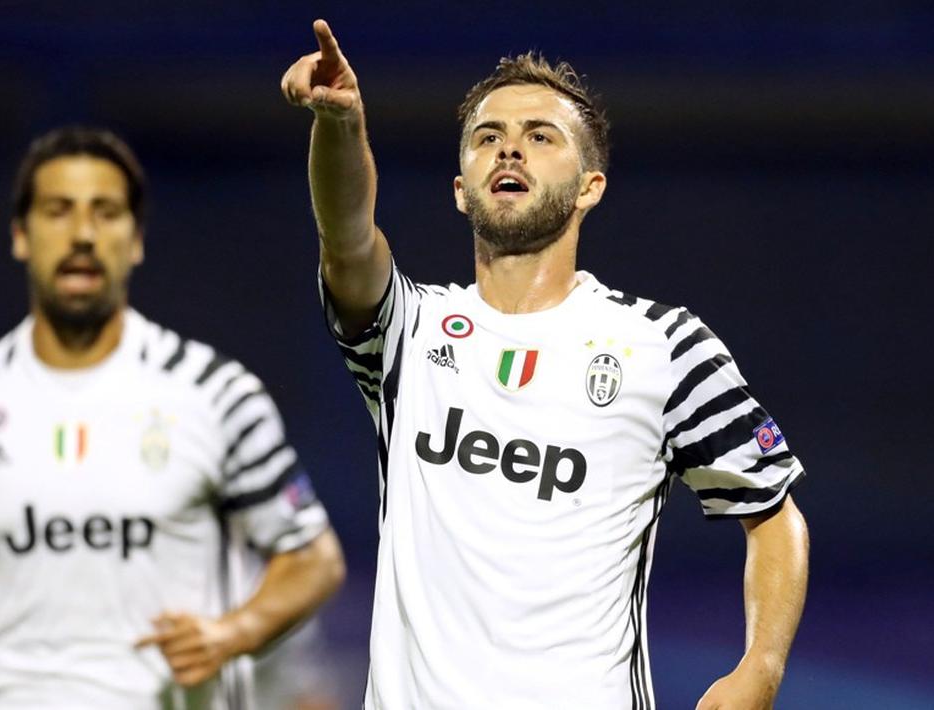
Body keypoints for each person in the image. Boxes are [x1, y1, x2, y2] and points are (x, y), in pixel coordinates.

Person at [282, 20, 809, 710]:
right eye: (487, 137)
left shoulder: (663, 345)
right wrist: (339, 123)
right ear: (461, 189)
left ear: (590, 186)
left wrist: (760, 667)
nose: (509, 148)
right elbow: (347, 239)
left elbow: (771, 513)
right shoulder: (408, 330)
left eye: (540, 136)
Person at [0, 126, 346, 709]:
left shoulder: (214, 394)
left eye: (106, 212)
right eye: (58, 211)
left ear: (136, 240)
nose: (82, 234)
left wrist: (232, 633)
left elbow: (313, 557)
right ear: (21, 235)